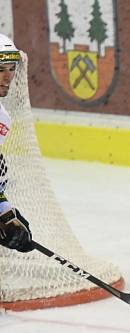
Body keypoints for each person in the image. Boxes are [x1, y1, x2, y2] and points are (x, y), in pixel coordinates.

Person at [0, 34, 33, 253]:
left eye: (11, 68)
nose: (8, 77)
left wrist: (5, 212)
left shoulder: (3, 118)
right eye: (1, 69)